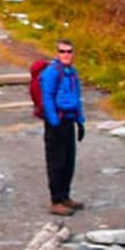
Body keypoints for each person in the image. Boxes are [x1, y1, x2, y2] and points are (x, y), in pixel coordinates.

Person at [40, 39, 86, 215]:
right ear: (57, 53)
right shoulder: (51, 73)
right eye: (62, 51)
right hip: (57, 122)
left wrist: (80, 121)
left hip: (69, 120)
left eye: (69, 51)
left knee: (68, 162)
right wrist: (54, 122)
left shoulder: (72, 73)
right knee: (56, 162)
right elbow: (47, 98)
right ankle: (56, 200)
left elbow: (77, 98)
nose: (66, 54)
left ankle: (65, 196)